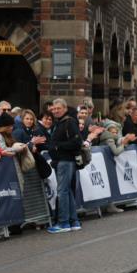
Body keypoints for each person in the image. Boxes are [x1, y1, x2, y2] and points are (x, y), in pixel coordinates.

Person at [46, 98, 83, 234]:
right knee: (66, 191)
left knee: (62, 192)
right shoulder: (60, 122)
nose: (55, 111)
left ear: (65, 108)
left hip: (65, 161)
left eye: (58, 108)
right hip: (62, 161)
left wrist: (57, 146)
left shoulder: (69, 122)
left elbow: (77, 141)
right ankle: (74, 221)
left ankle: (63, 223)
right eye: (53, 109)